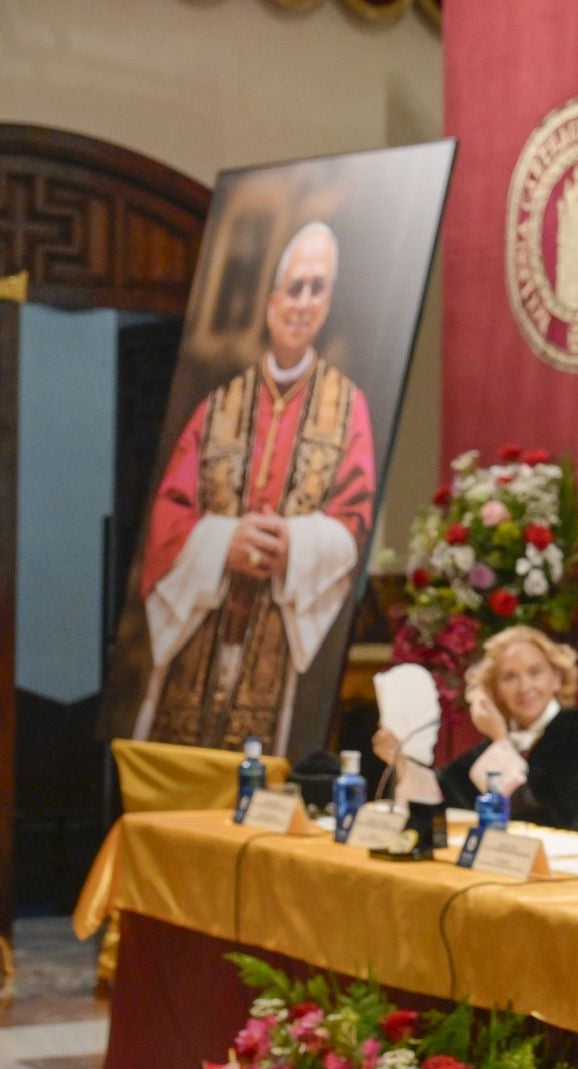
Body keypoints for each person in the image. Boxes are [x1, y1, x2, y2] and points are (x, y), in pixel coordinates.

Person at [133, 222, 377, 754]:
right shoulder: (219, 406)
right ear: (271, 301)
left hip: (280, 644)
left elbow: (355, 520)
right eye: (295, 287)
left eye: (317, 289)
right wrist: (225, 542)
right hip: (202, 628)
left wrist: (293, 546)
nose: (303, 302)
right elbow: (167, 515)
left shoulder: (348, 406)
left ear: (328, 304)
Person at [372, 626, 578, 837]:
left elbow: (545, 818)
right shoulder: (505, 742)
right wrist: (399, 759)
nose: (525, 687)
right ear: (495, 690)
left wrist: (500, 739)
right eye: (510, 677)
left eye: (535, 672)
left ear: (557, 678)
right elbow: (443, 791)